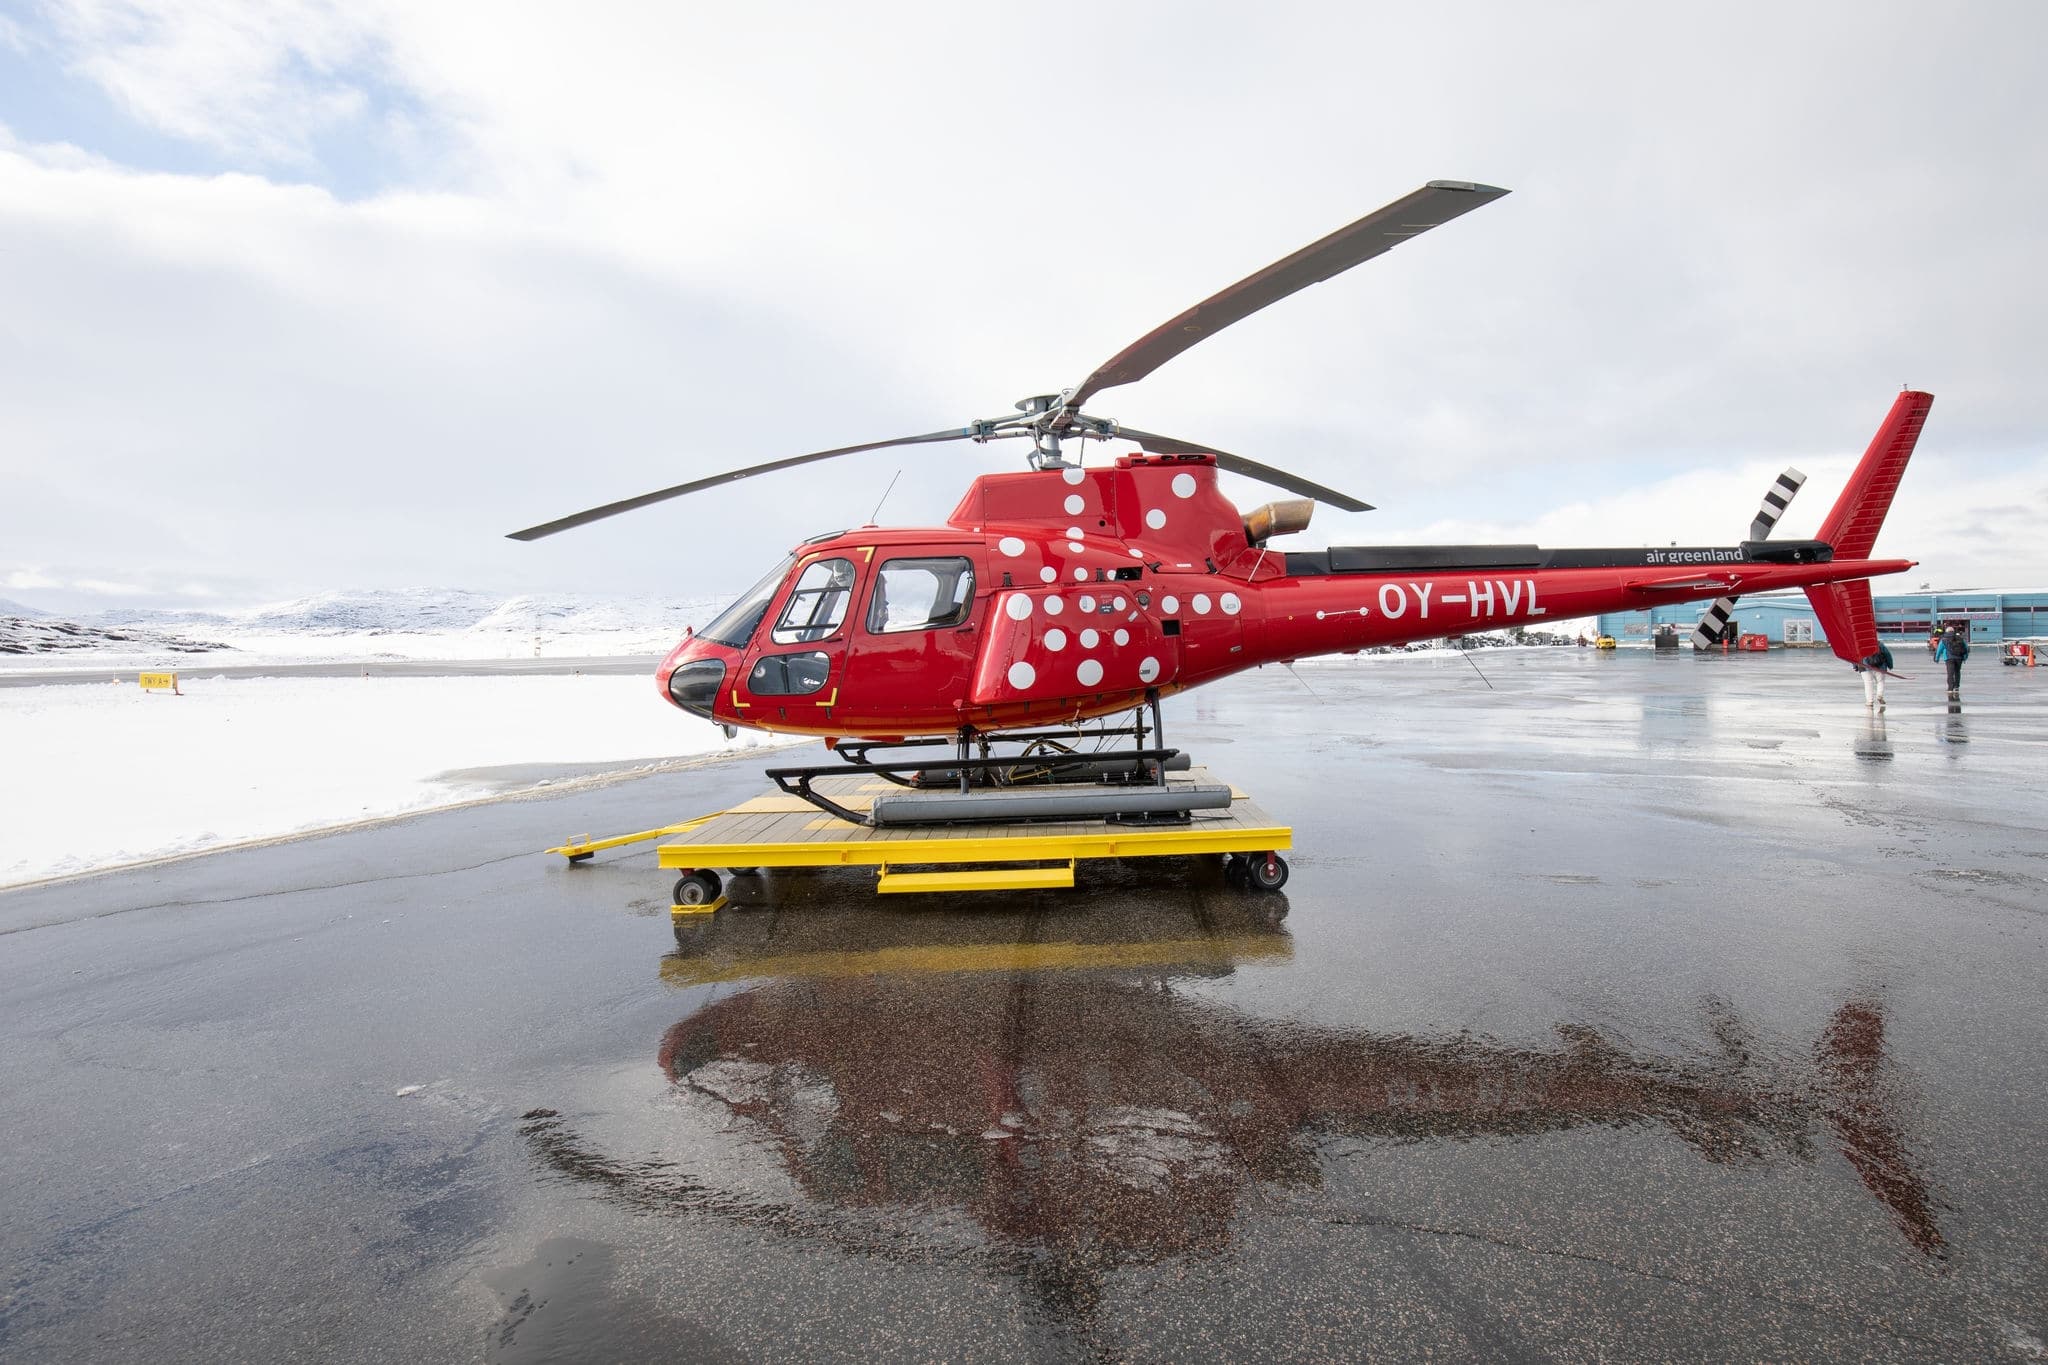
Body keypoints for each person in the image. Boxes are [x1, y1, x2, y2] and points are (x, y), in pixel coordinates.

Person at [1855, 640, 1895, 710]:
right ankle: (1880, 695)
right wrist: (1890, 665)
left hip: (1864, 667)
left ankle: (1869, 702)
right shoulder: (1879, 644)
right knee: (1880, 682)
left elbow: (1855, 655)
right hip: (1880, 667)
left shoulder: (1859, 644)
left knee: (1868, 684)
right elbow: (1888, 655)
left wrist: (1855, 666)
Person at [1936, 621, 1970, 698]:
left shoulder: (1944, 639)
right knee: (1957, 672)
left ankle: (1950, 688)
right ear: (1953, 631)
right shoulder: (1960, 638)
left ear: (1946, 631)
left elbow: (1939, 649)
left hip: (1949, 658)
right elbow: (1965, 648)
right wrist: (1965, 657)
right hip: (1959, 658)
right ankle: (1956, 687)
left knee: (1950, 673)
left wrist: (1936, 658)